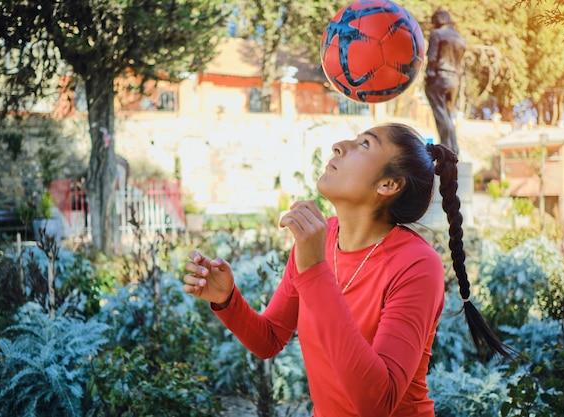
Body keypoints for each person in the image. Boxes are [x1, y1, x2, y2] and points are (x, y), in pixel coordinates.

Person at [183, 123, 512, 417]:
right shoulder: (319, 240)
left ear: (388, 184)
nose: (339, 145)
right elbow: (270, 339)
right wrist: (227, 299)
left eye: (364, 144)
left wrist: (313, 270)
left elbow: (377, 403)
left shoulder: (416, 264)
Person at [424, 9, 466, 155]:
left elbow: (433, 57)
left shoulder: (437, 34)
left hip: (439, 78)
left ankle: (446, 149)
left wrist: (429, 76)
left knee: (441, 115)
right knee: (447, 116)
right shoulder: (460, 39)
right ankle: (453, 148)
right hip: (454, 80)